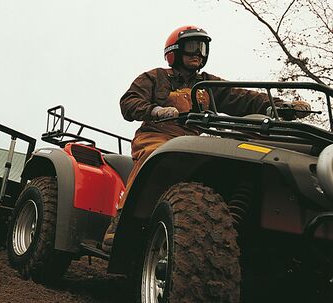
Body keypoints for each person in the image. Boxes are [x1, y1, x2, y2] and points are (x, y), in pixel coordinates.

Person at [102, 25, 311, 252]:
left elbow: (243, 97)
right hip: (157, 135)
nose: (198, 53)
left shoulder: (208, 85)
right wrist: (155, 111)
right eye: (192, 47)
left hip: (191, 142)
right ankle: (119, 223)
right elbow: (129, 103)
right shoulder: (154, 77)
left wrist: (281, 106)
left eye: (202, 48)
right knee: (153, 158)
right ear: (174, 51)